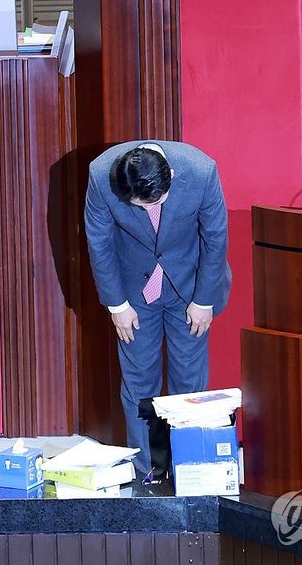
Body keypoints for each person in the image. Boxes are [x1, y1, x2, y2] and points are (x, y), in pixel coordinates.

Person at [84, 140, 231, 477]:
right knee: (138, 378)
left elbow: (215, 237)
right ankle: (149, 470)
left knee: (188, 377)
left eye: (155, 203)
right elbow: (99, 241)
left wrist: (203, 300)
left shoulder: (200, 170)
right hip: (133, 288)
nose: (147, 210)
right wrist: (116, 305)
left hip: (189, 286)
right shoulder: (101, 173)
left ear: (172, 175)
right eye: (137, 204)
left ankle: (189, 467)